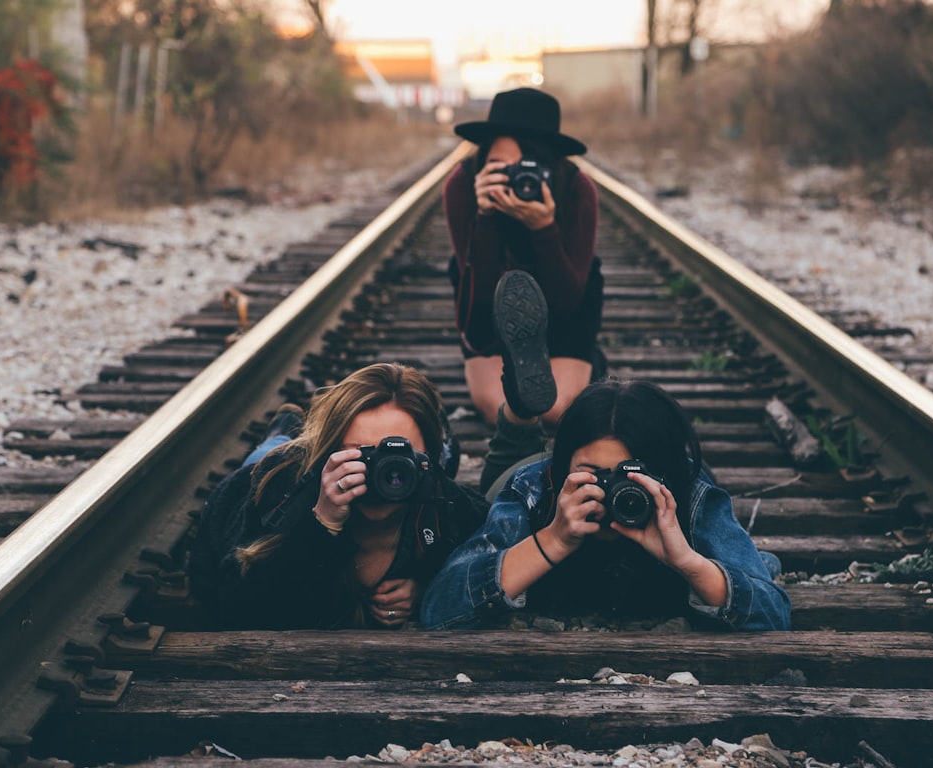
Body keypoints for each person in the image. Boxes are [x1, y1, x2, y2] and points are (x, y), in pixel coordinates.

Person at [420, 378, 791, 631]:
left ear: (664, 474)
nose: (616, 493)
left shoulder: (691, 495)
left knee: (756, 564)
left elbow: (773, 615)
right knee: (494, 491)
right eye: (592, 474)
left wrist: (687, 561)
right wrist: (553, 539)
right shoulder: (536, 487)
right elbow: (439, 606)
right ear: (561, 467)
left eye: (632, 477)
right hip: (518, 475)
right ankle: (518, 424)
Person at [188, 363, 489, 630]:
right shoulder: (278, 488)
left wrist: (426, 588)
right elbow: (236, 611)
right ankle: (281, 431)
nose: (382, 474)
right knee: (269, 453)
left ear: (429, 460)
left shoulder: (442, 498)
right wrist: (322, 522)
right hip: (275, 468)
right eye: (360, 453)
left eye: (398, 454)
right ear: (330, 454)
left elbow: (496, 560)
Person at [445, 87, 603, 429]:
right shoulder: (462, 185)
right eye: (500, 166)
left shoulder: (577, 189)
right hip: (488, 315)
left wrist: (544, 229)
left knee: (556, 410)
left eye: (524, 168)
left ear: (547, 165)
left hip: (565, 308)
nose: (515, 179)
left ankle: (582, 360)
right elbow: (483, 298)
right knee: (505, 413)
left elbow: (567, 301)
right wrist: (485, 218)